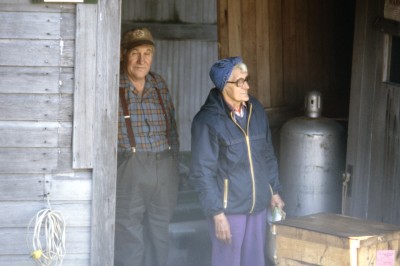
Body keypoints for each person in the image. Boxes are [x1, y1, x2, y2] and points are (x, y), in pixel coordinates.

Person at [189, 56, 285, 266]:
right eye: (240, 81)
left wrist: (274, 190)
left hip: (258, 206)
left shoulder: (256, 110)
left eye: (246, 79)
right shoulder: (207, 120)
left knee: (255, 261)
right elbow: (202, 172)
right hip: (228, 210)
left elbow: (267, 154)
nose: (247, 86)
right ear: (224, 85)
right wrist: (216, 213)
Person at [114, 27, 180, 266]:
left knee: (160, 235)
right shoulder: (113, 84)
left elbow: (172, 127)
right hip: (129, 169)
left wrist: (173, 166)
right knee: (128, 237)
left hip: (163, 168)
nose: (142, 60)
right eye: (135, 53)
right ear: (123, 54)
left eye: (148, 53)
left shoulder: (158, 83)